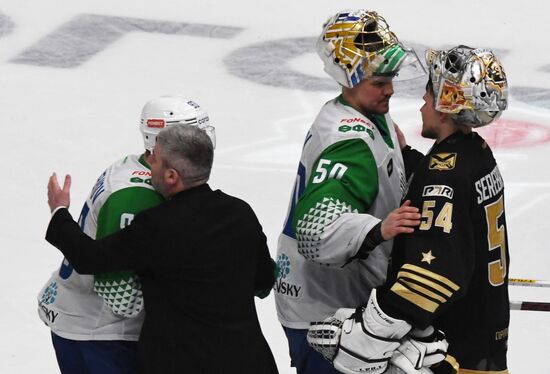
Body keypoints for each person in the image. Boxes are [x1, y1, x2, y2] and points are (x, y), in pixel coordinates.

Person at [308, 46, 510, 374]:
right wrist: (409, 156)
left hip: (454, 355)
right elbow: (456, 199)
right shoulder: (476, 154)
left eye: (429, 93)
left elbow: (433, 275)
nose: (422, 103)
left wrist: (371, 330)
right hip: (484, 344)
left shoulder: (444, 177)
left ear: (446, 105)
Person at [45, 123, 278, 374]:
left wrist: (59, 212)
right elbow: (264, 280)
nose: (148, 164)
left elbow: (89, 258)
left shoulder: (157, 225)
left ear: (171, 176)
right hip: (249, 362)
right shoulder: (241, 213)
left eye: (153, 160)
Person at [273, 9, 425, 374]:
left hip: (335, 300)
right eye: (379, 80)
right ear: (350, 76)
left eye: (391, 77)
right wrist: (379, 229)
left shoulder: (371, 115)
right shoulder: (349, 142)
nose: (390, 88)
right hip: (324, 314)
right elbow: (315, 232)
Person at [37, 95, 215, 373]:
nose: (203, 140)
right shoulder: (138, 196)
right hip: (99, 331)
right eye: (194, 131)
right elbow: (120, 297)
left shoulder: (137, 166)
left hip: (90, 323)